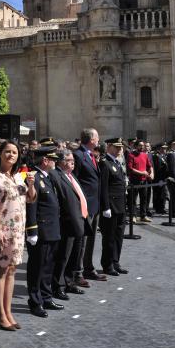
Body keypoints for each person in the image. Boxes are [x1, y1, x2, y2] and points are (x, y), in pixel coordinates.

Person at [0, 140, 36, 329]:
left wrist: (31, 185)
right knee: (0, 270)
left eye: (14, 152)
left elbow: (31, 199)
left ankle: (8, 312)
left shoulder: (17, 177)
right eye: (7, 152)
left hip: (18, 231)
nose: (11, 155)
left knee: (12, 270)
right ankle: (0, 314)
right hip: (3, 229)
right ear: (0, 154)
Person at [25, 147, 64, 317]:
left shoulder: (48, 177)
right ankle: (35, 301)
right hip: (41, 230)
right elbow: (31, 204)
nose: (56, 162)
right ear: (45, 161)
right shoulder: (34, 177)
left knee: (48, 266)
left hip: (52, 228)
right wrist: (32, 230)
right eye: (53, 159)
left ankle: (46, 297)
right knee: (37, 267)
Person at [52, 149, 89, 300]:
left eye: (73, 159)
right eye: (68, 160)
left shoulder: (70, 175)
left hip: (79, 221)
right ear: (60, 161)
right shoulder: (56, 175)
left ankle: (69, 282)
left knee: (74, 255)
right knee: (63, 257)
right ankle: (58, 286)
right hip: (67, 222)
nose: (72, 162)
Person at [73, 128, 105, 284]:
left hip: (95, 205)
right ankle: (78, 272)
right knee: (83, 241)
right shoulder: (78, 156)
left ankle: (88, 268)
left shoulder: (91, 155)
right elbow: (75, 181)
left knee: (91, 239)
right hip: (84, 205)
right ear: (91, 140)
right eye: (97, 138)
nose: (99, 140)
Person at [99, 138, 128, 276]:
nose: (119, 150)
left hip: (121, 205)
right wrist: (105, 207)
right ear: (109, 147)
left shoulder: (116, 163)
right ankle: (107, 264)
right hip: (111, 206)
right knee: (109, 237)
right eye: (116, 147)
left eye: (120, 148)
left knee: (118, 236)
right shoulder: (105, 163)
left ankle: (116, 261)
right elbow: (103, 187)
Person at [127, 141, 153, 223]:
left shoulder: (145, 155)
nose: (142, 147)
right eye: (140, 145)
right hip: (134, 181)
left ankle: (143, 215)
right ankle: (133, 216)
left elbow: (149, 166)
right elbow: (130, 169)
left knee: (144, 199)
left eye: (143, 145)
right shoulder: (131, 155)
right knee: (133, 200)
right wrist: (142, 172)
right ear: (136, 146)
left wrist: (151, 173)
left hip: (143, 181)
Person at [152, 143, 169, 214]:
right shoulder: (157, 156)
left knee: (162, 194)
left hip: (163, 178)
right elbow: (158, 169)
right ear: (159, 149)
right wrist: (160, 179)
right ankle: (159, 208)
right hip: (159, 179)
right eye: (163, 148)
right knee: (159, 194)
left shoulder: (162, 156)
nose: (165, 149)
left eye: (165, 148)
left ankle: (161, 207)